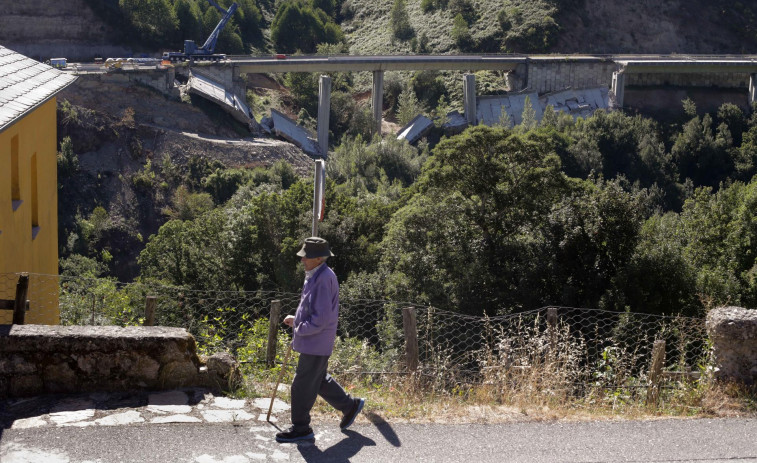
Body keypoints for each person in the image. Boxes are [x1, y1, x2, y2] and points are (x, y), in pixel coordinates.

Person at [275, 236, 365, 443]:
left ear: (318, 258)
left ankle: (301, 428)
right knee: (317, 379)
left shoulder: (324, 278)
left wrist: (299, 328)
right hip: (314, 341)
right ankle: (349, 406)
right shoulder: (315, 274)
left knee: (302, 385)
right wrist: (296, 318)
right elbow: (311, 309)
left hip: (315, 342)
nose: (302, 260)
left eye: (306, 256)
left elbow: (321, 319)